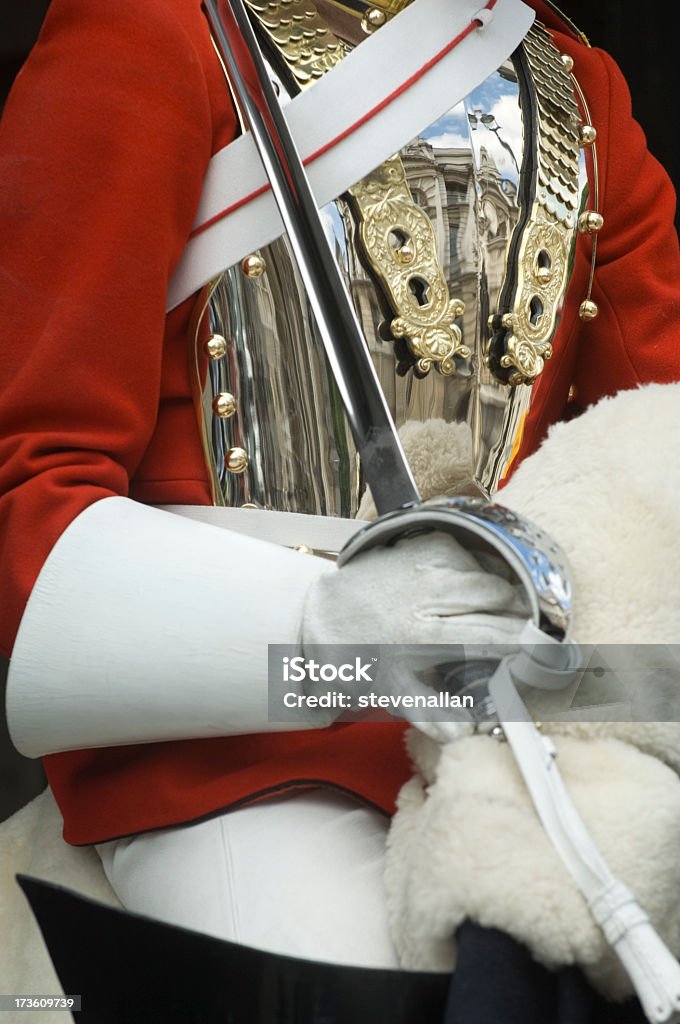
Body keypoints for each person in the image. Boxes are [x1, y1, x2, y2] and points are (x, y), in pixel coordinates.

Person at [1, 0, 679, 1010]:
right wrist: (324, 624)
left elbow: (653, 439)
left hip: (508, 712)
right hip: (234, 754)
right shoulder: (145, 30)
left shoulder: (576, 86)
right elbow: (30, 474)